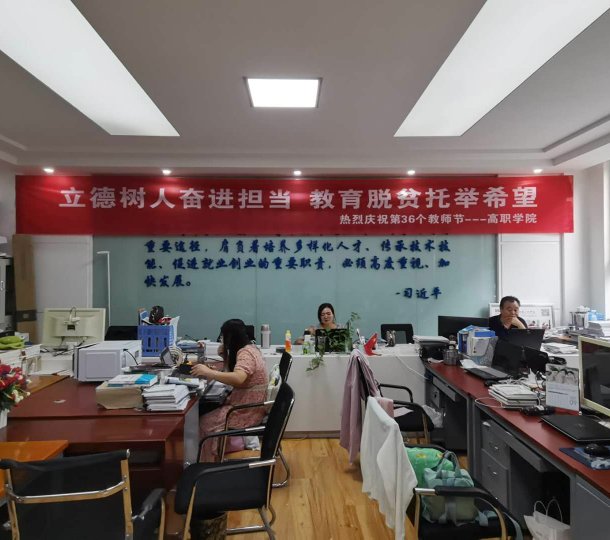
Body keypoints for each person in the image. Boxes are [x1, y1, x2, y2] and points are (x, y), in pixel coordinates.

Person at [192, 319, 268, 461]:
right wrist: (224, 355)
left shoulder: (245, 354)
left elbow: (238, 378)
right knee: (207, 410)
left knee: (204, 422)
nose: (222, 340)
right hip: (248, 405)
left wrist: (210, 373)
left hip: (245, 411)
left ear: (230, 337)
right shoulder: (250, 348)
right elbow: (235, 372)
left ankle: (206, 462)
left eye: (223, 337)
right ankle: (214, 456)